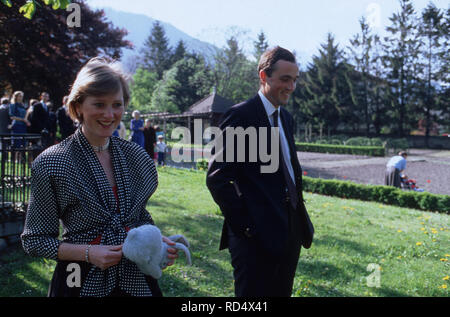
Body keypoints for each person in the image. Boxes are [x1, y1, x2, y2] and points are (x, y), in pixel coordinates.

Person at [21, 57, 179, 297]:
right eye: (99, 104)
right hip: (79, 278)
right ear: (78, 107)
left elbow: (139, 218)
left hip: (135, 277)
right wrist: (89, 253)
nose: (109, 114)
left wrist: (155, 244)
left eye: (117, 104)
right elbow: (35, 241)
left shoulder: (135, 156)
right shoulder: (52, 162)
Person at [206, 46, 314, 297]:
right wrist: (247, 229)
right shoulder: (239, 115)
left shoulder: (285, 118)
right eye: (285, 79)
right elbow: (217, 179)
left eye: (295, 80)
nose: (291, 87)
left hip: (290, 232)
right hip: (254, 239)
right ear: (264, 77)